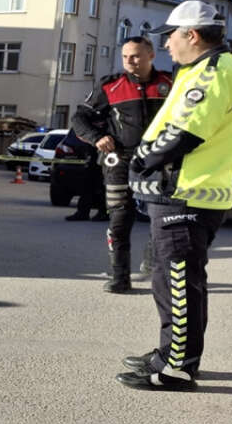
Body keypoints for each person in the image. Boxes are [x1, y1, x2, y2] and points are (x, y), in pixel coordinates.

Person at [117, 0, 232, 391]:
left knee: (178, 284)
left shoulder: (212, 72)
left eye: (170, 36)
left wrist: (140, 161)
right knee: (174, 282)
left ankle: (177, 366)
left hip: (186, 194)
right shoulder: (219, 69)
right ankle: (170, 355)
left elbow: (185, 132)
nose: (168, 46)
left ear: (191, 35)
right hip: (189, 193)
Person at [70, 36, 173, 292]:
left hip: (159, 160)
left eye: (136, 56)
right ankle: (119, 277)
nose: (130, 61)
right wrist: (97, 138)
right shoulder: (110, 86)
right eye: (125, 56)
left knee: (162, 218)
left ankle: (155, 265)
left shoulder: (170, 84)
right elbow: (79, 118)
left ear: (151, 55)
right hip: (120, 159)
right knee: (119, 218)